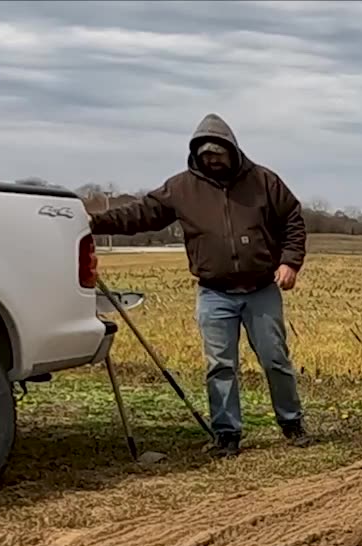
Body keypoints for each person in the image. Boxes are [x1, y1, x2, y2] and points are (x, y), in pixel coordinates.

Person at [89, 115, 311, 456]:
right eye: (206, 156)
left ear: (233, 151)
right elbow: (140, 214)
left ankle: (292, 423)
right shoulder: (181, 188)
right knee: (220, 366)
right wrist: (93, 220)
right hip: (214, 292)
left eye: (219, 155)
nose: (213, 161)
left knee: (274, 359)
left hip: (261, 289)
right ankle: (226, 434)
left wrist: (289, 261)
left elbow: (292, 219)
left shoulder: (264, 181)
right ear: (197, 155)